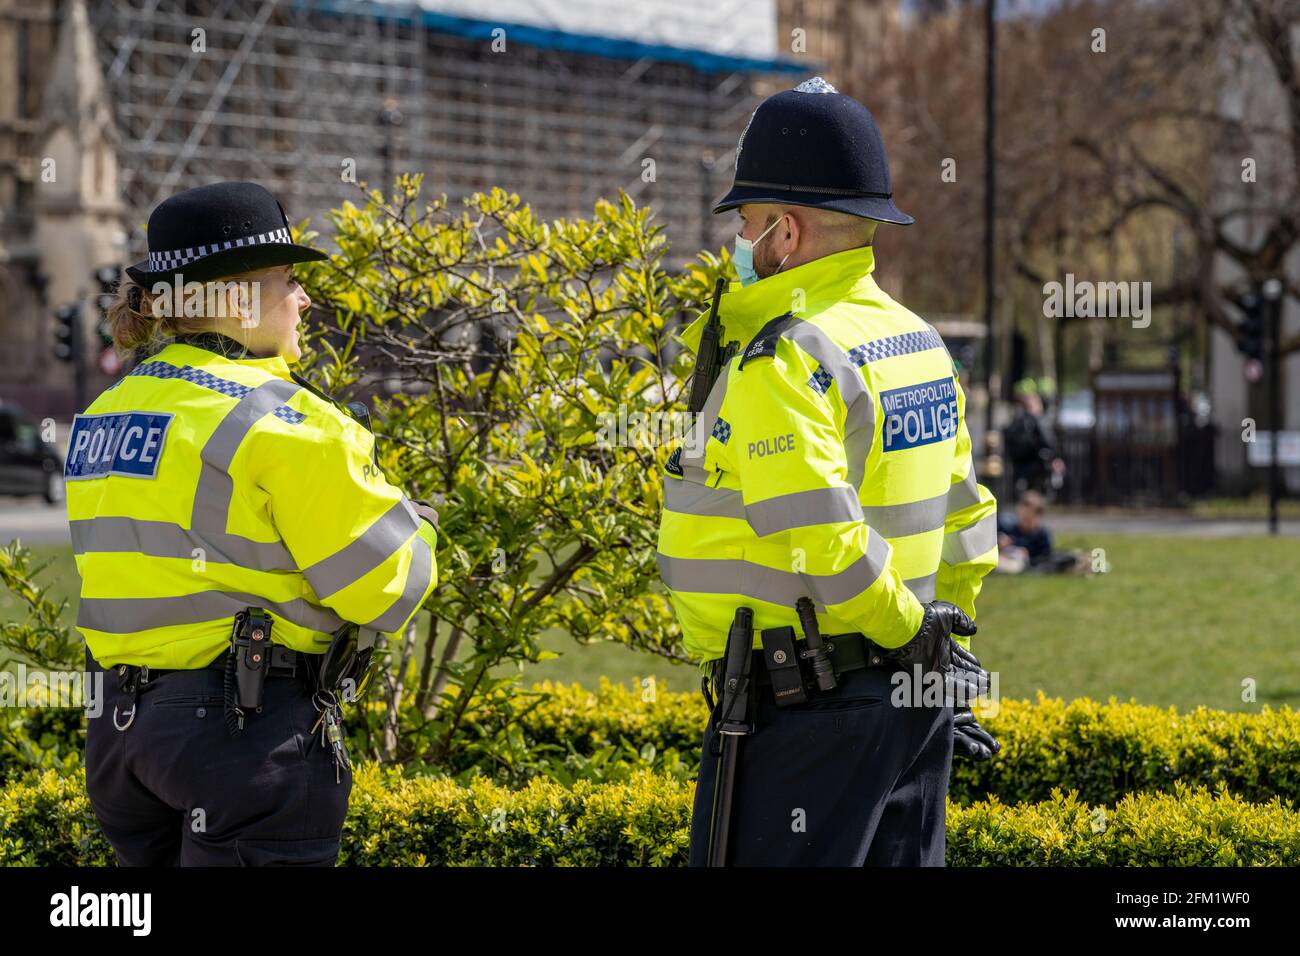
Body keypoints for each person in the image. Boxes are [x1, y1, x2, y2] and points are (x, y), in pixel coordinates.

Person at [657, 78, 1000, 867]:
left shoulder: (789, 355)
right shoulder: (916, 342)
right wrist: (939, 663)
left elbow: (825, 540)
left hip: (808, 713)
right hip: (908, 705)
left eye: (744, 223)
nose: (736, 243)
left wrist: (914, 636)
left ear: (786, 231)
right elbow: (967, 521)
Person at [66, 181, 439, 866]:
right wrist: (416, 525)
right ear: (235, 296)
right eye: (289, 280)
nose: (304, 299)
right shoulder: (288, 419)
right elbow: (382, 588)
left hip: (119, 736)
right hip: (243, 738)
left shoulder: (107, 410)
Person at [997, 490, 1083, 574]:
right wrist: (1000, 544)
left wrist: (1027, 555)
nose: (1024, 522)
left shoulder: (1042, 536)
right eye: (1022, 518)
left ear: (1038, 517)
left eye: (1028, 519)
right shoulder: (1008, 527)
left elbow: (1045, 558)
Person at [1004, 386, 1065, 497]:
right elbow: (1048, 442)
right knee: (1036, 496)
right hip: (1037, 465)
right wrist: (1054, 457)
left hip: (1020, 466)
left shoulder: (1017, 421)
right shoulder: (1038, 421)